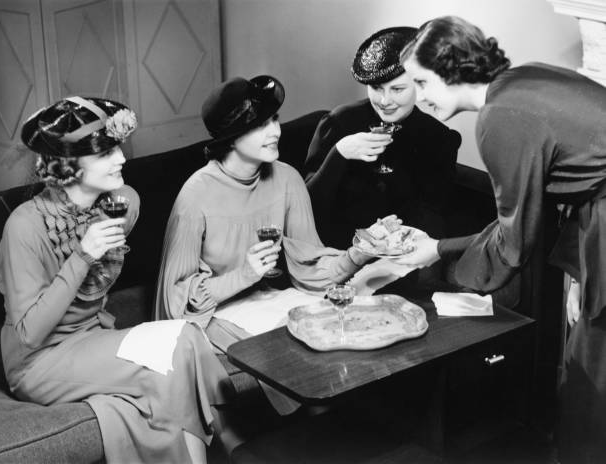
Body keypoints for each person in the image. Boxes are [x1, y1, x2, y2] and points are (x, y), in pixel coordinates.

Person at [397, 15, 606, 463]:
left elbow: (514, 242)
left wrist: (441, 262)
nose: (419, 96)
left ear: (451, 67)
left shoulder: (498, 118)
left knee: (591, 385)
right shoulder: (521, 79)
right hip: (596, 220)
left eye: (421, 80)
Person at [0, 96, 232, 463]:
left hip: (92, 340)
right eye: (106, 153)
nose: (121, 158)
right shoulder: (24, 226)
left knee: (174, 361)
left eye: (117, 147)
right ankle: (233, 440)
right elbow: (29, 334)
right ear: (67, 165)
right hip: (39, 362)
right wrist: (82, 256)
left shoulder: (123, 203)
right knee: (178, 346)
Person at [154, 75, 384, 413]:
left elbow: (309, 266)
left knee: (340, 329)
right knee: (296, 364)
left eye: (274, 119)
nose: (275, 131)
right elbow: (174, 304)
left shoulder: (287, 178)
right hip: (214, 314)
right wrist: (244, 274)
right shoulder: (195, 197)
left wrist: (357, 254)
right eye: (261, 125)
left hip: (271, 300)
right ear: (231, 137)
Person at [303, 26, 461, 284]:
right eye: (376, 88)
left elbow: (433, 216)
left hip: (402, 263)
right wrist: (339, 154)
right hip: (337, 260)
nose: (385, 101)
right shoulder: (339, 123)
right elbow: (306, 209)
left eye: (397, 89)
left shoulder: (439, 138)